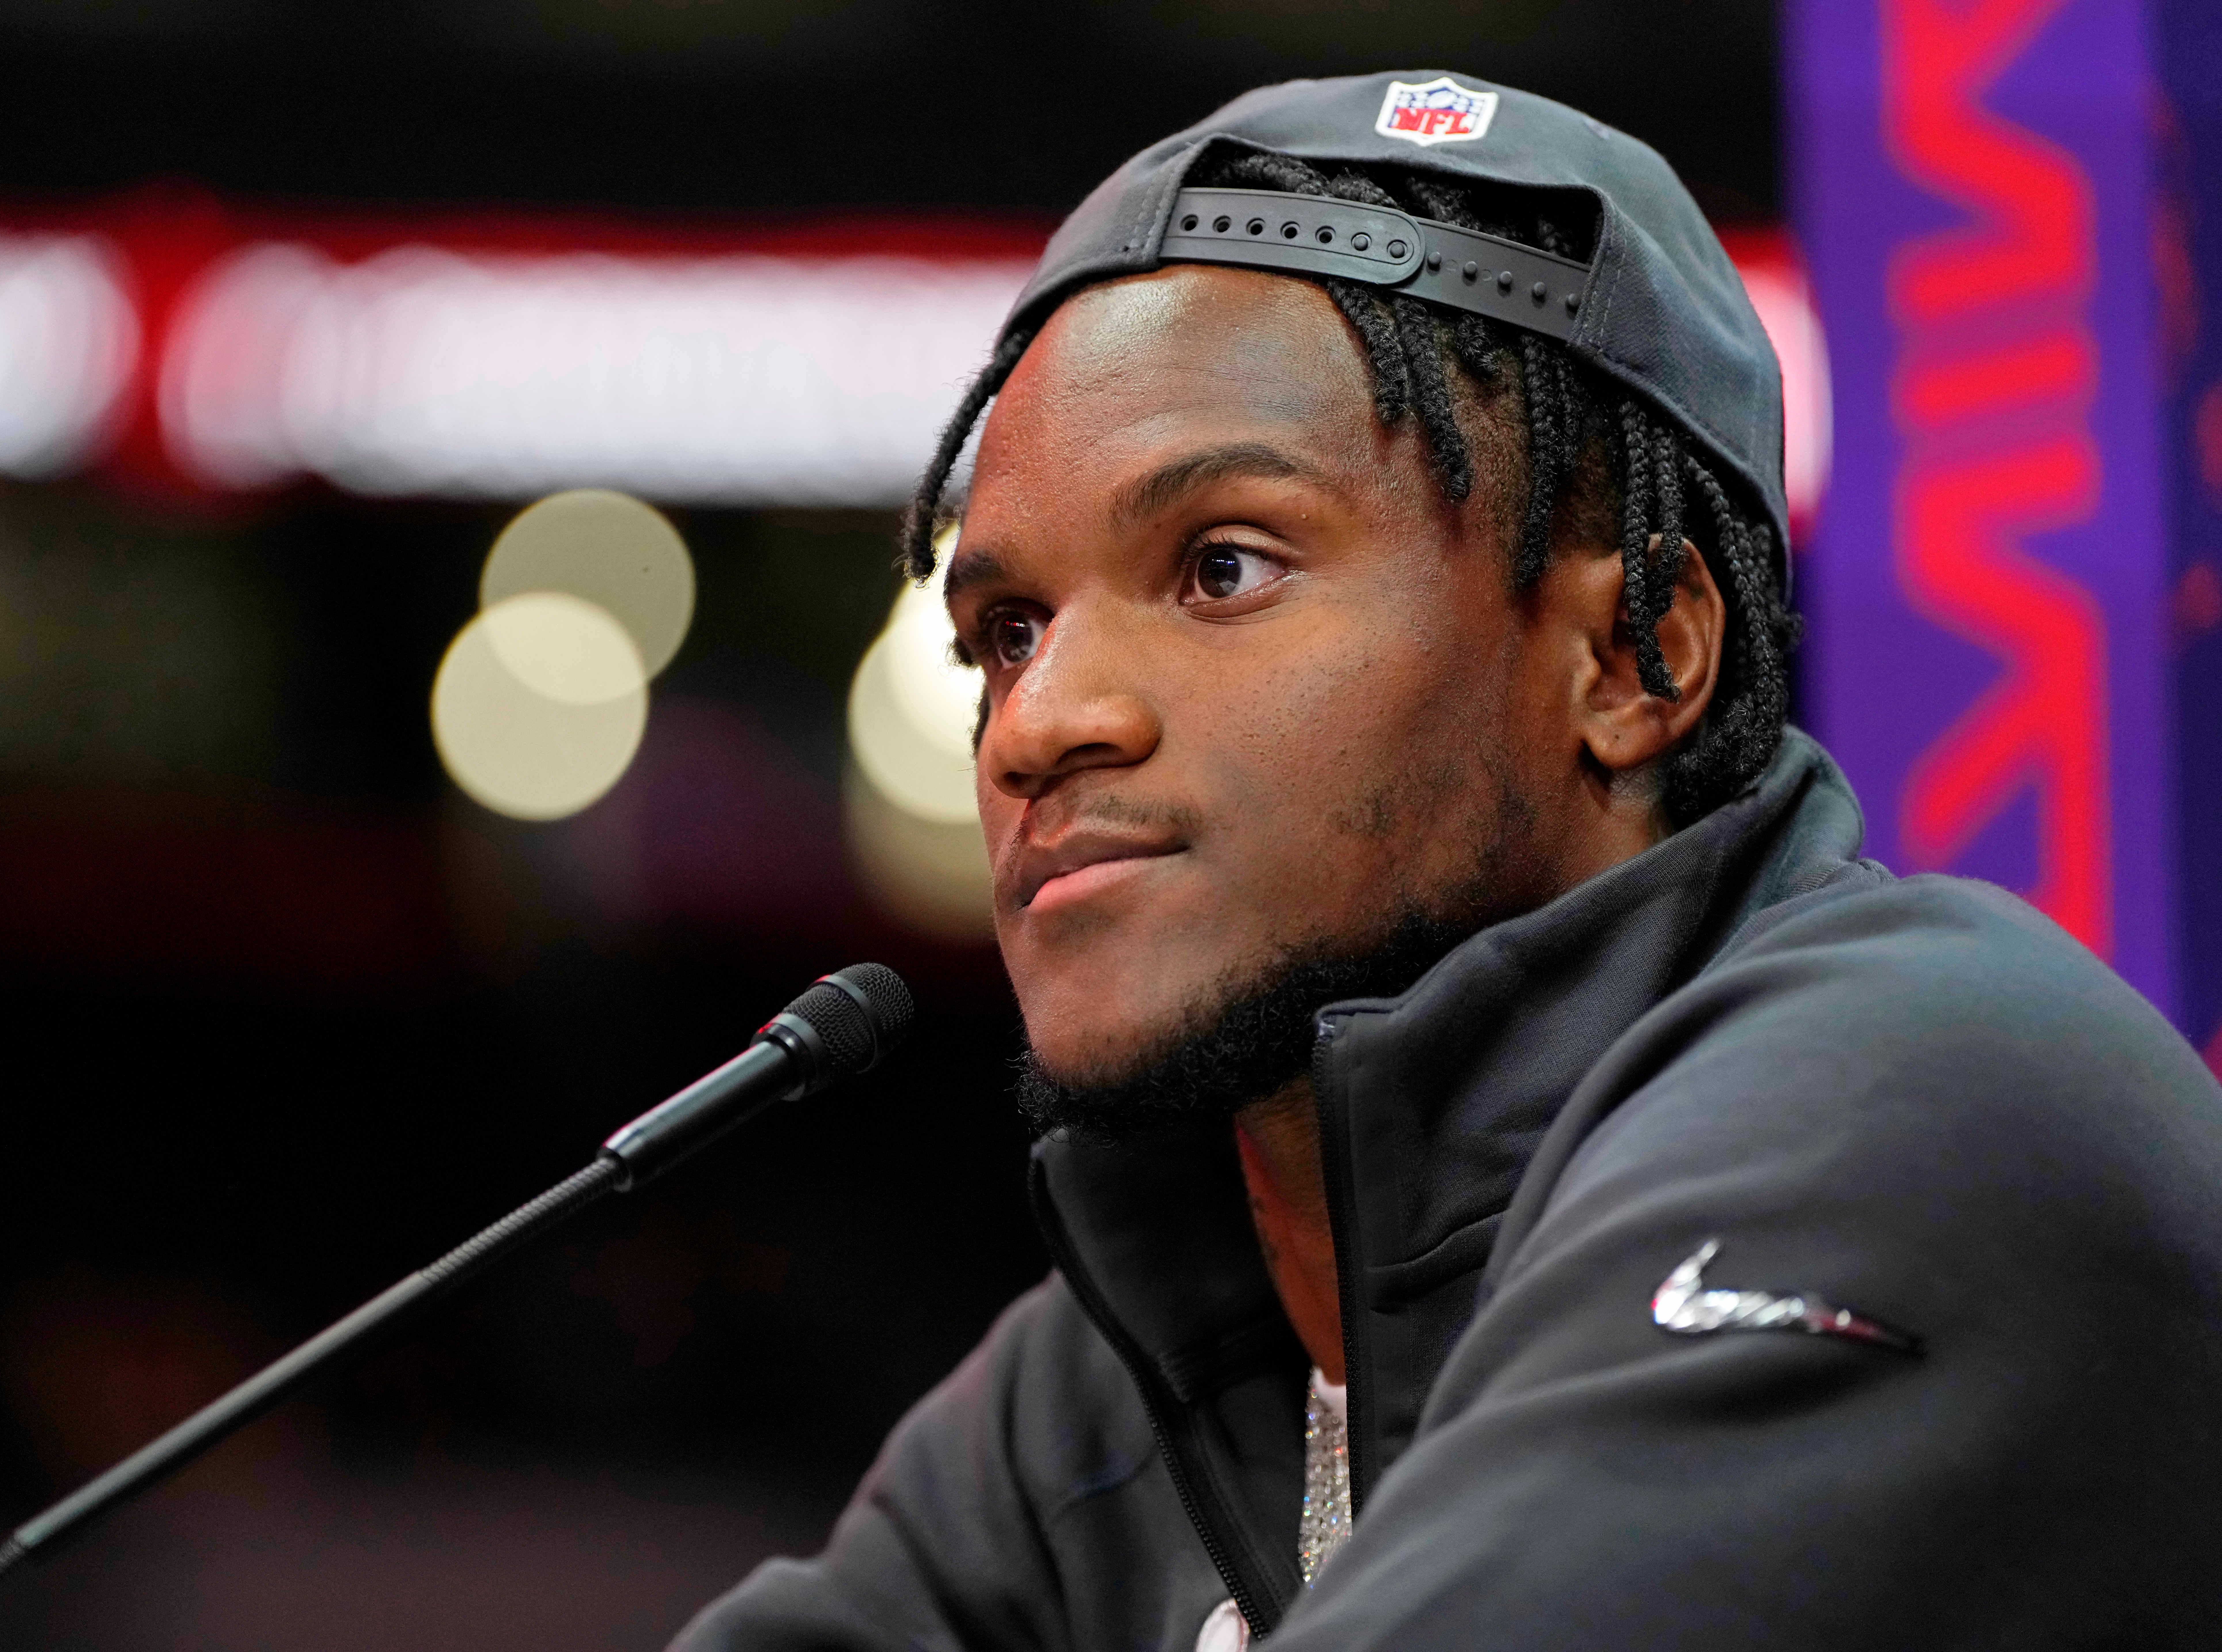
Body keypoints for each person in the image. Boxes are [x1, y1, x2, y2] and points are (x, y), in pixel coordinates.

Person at [679, 72, 2222, 1650]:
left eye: (1223, 567)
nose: (1040, 725)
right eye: (1008, 634)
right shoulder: (1139, 1335)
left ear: (1635, 659)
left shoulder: (1927, 1100)